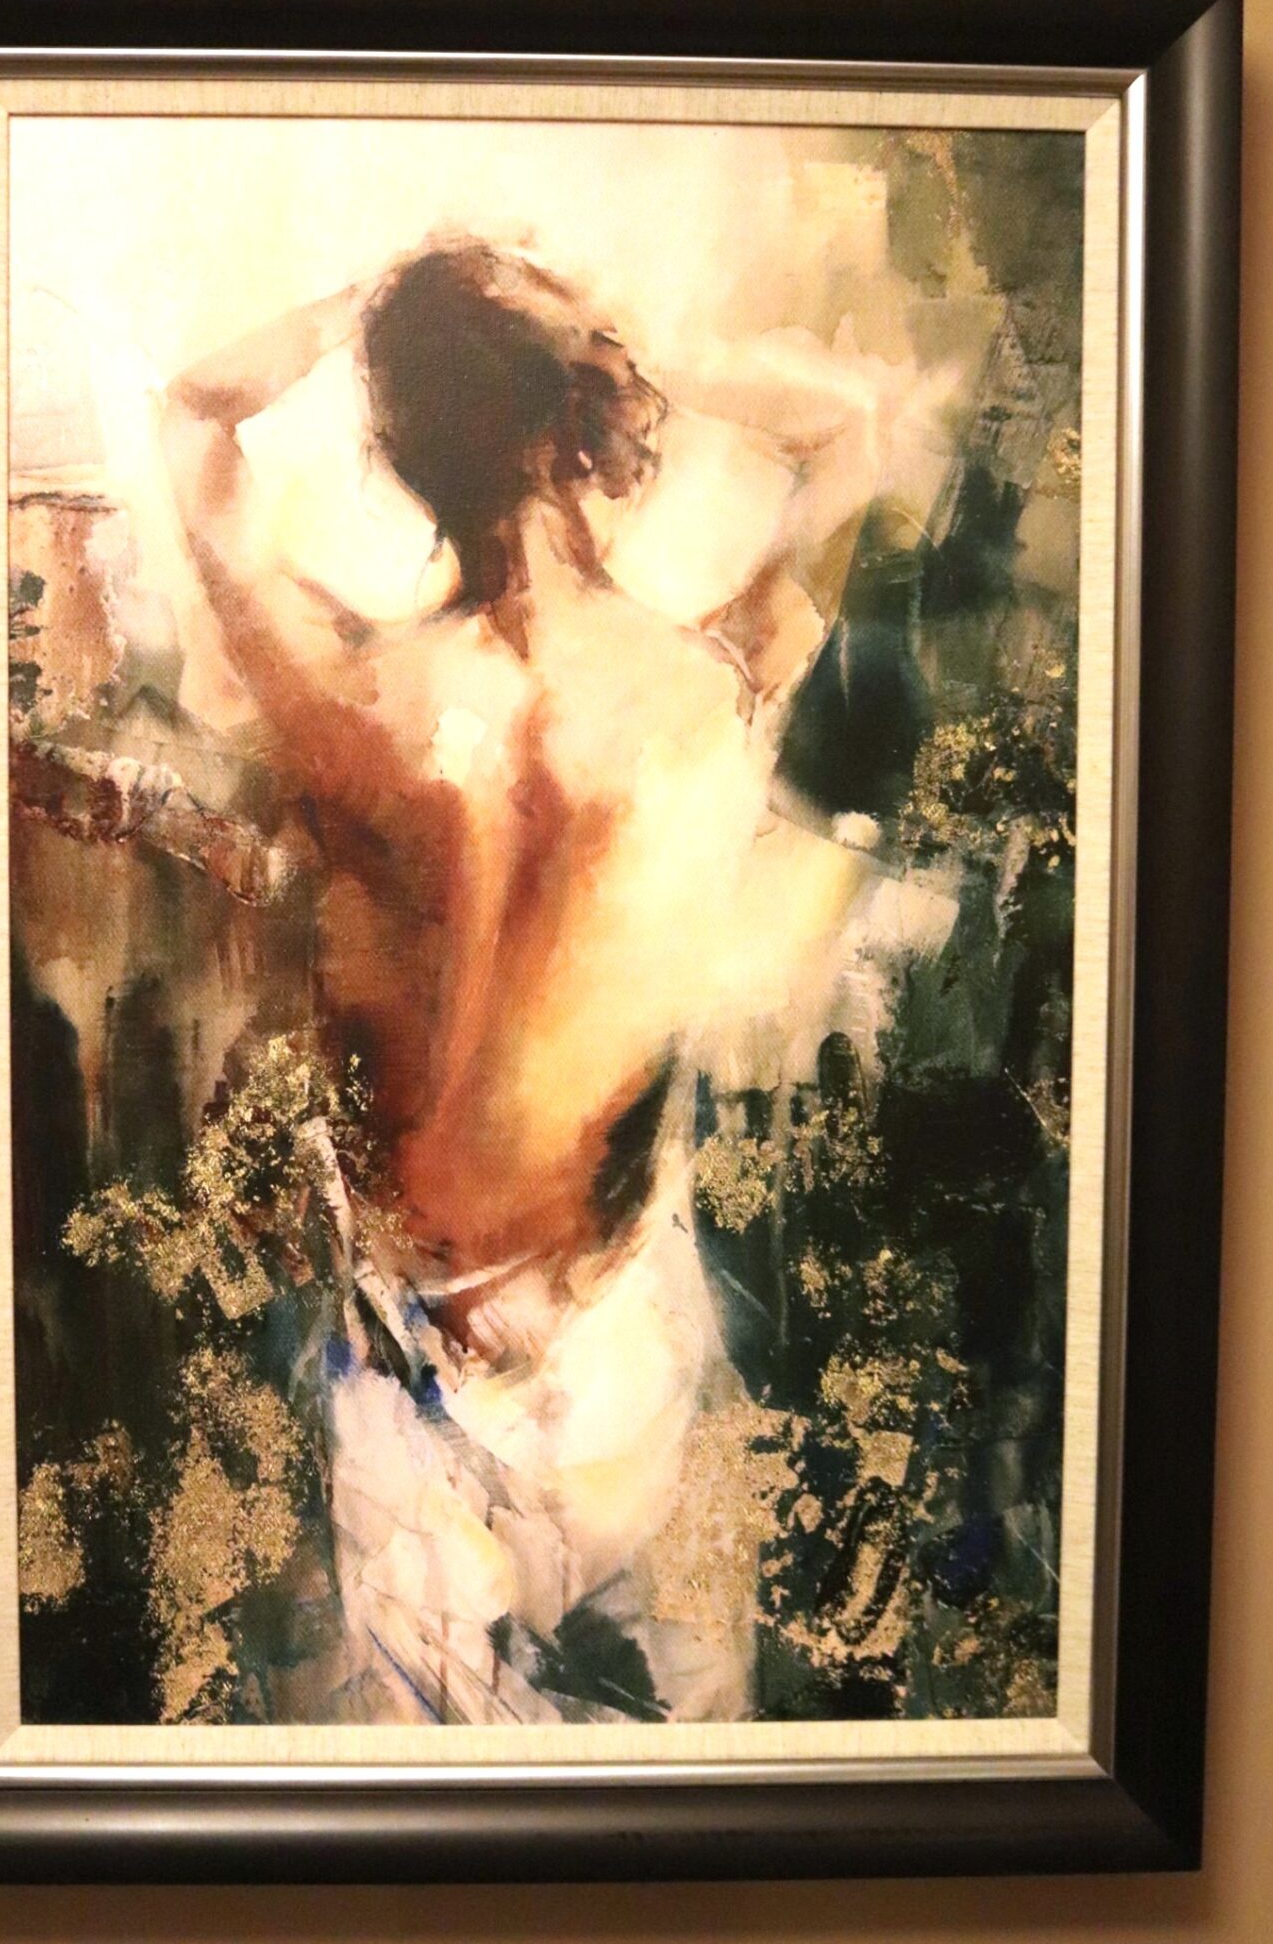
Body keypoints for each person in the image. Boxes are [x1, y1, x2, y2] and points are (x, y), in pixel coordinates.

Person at [160, 238, 895, 1721]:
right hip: (615, 1324)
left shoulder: (352, 702)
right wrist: (619, 352)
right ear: (577, 419)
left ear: (401, 444)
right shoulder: (705, 685)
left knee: (421, 1790)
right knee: (681, 1777)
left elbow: (194, 422)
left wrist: (372, 304)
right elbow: (851, 436)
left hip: (419, 1339)